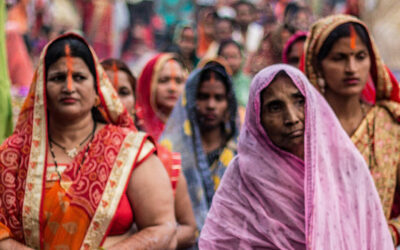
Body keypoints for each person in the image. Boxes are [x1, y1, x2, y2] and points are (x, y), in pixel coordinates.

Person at [0, 33, 177, 249]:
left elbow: (162, 227)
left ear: (97, 92)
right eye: (57, 78)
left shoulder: (129, 149)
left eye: (80, 78)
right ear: (41, 90)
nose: (69, 87)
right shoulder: (13, 155)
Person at [199, 64, 394, 249]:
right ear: (257, 117)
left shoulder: (345, 166)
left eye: (300, 102)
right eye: (275, 107)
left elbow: (372, 236)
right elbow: (222, 242)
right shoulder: (243, 175)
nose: (292, 118)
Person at [302, 14, 400, 246]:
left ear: (372, 60)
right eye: (339, 58)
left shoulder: (389, 124)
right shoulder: (302, 128)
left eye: (360, 56)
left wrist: (387, 233)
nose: (351, 68)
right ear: (317, 65)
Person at [101, 58, 197, 248]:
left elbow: (189, 228)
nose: (114, 99)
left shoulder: (159, 158)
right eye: (106, 90)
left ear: (136, 103)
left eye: (123, 92)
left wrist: (156, 238)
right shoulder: (65, 154)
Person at [160, 61, 239, 231]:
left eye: (219, 98)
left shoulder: (240, 152)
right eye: (203, 97)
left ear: (228, 103)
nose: (211, 105)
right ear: (190, 99)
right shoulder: (171, 149)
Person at [136, 53, 187, 141]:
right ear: (148, 84)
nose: (172, 88)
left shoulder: (192, 126)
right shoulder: (137, 127)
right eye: (164, 81)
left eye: (179, 81)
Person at [218, 39, 251, 107]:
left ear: (241, 58)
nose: (230, 61)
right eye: (226, 57)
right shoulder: (213, 80)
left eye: (234, 57)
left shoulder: (249, 82)